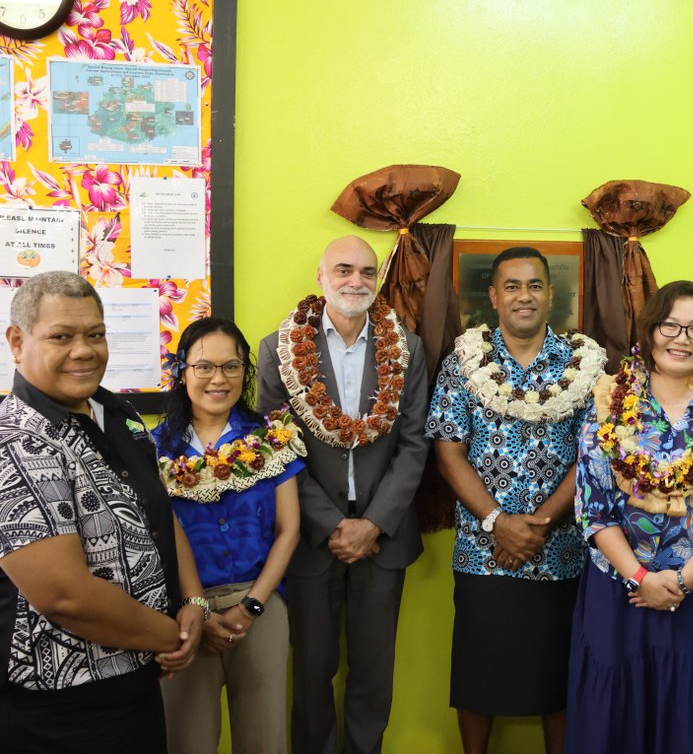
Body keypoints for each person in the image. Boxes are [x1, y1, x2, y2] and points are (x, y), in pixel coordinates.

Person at [0, 271, 206, 752]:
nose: (84, 350)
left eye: (95, 334)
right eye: (62, 337)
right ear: (17, 342)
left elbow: (156, 511)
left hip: (136, 687)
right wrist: (171, 635)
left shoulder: (117, 413)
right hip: (62, 710)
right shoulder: (16, 442)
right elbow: (63, 596)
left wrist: (194, 602)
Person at [567, 279, 693, 754]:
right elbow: (591, 510)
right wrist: (640, 579)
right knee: (616, 717)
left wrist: (680, 584)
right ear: (650, 331)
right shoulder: (607, 407)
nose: (682, 338)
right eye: (670, 325)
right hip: (620, 595)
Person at [426, 246, 606, 754]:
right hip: (483, 551)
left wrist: (539, 525)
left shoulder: (588, 364)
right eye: (512, 286)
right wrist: (497, 521)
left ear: (551, 294)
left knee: (560, 675)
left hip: (562, 549)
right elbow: (447, 452)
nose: (523, 296)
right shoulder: (462, 361)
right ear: (493, 296)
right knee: (479, 673)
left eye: (533, 286)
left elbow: (594, 453)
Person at [257, 235, 430, 754]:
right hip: (311, 538)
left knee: (374, 672)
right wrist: (333, 525)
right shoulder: (279, 349)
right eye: (344, 270)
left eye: (367, 272)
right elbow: (276, 447)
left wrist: (372, 523)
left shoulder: (408, 346)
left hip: (385, 534)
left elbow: (415, 441)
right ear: (321, 276)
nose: (356, 281)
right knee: (311, 672)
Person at [154, 317, 304, 753]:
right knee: (186, 740)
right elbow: (160, 539)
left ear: (246, 372)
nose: (218, 379)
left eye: (232, 367)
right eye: (204, 367)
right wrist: (196, 612)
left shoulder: (272, 439)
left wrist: (251, 607)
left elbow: (289, 530)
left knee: (265, 741)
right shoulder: (156, 450)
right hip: (183, 615)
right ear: (182, 372)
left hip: (259, 609)